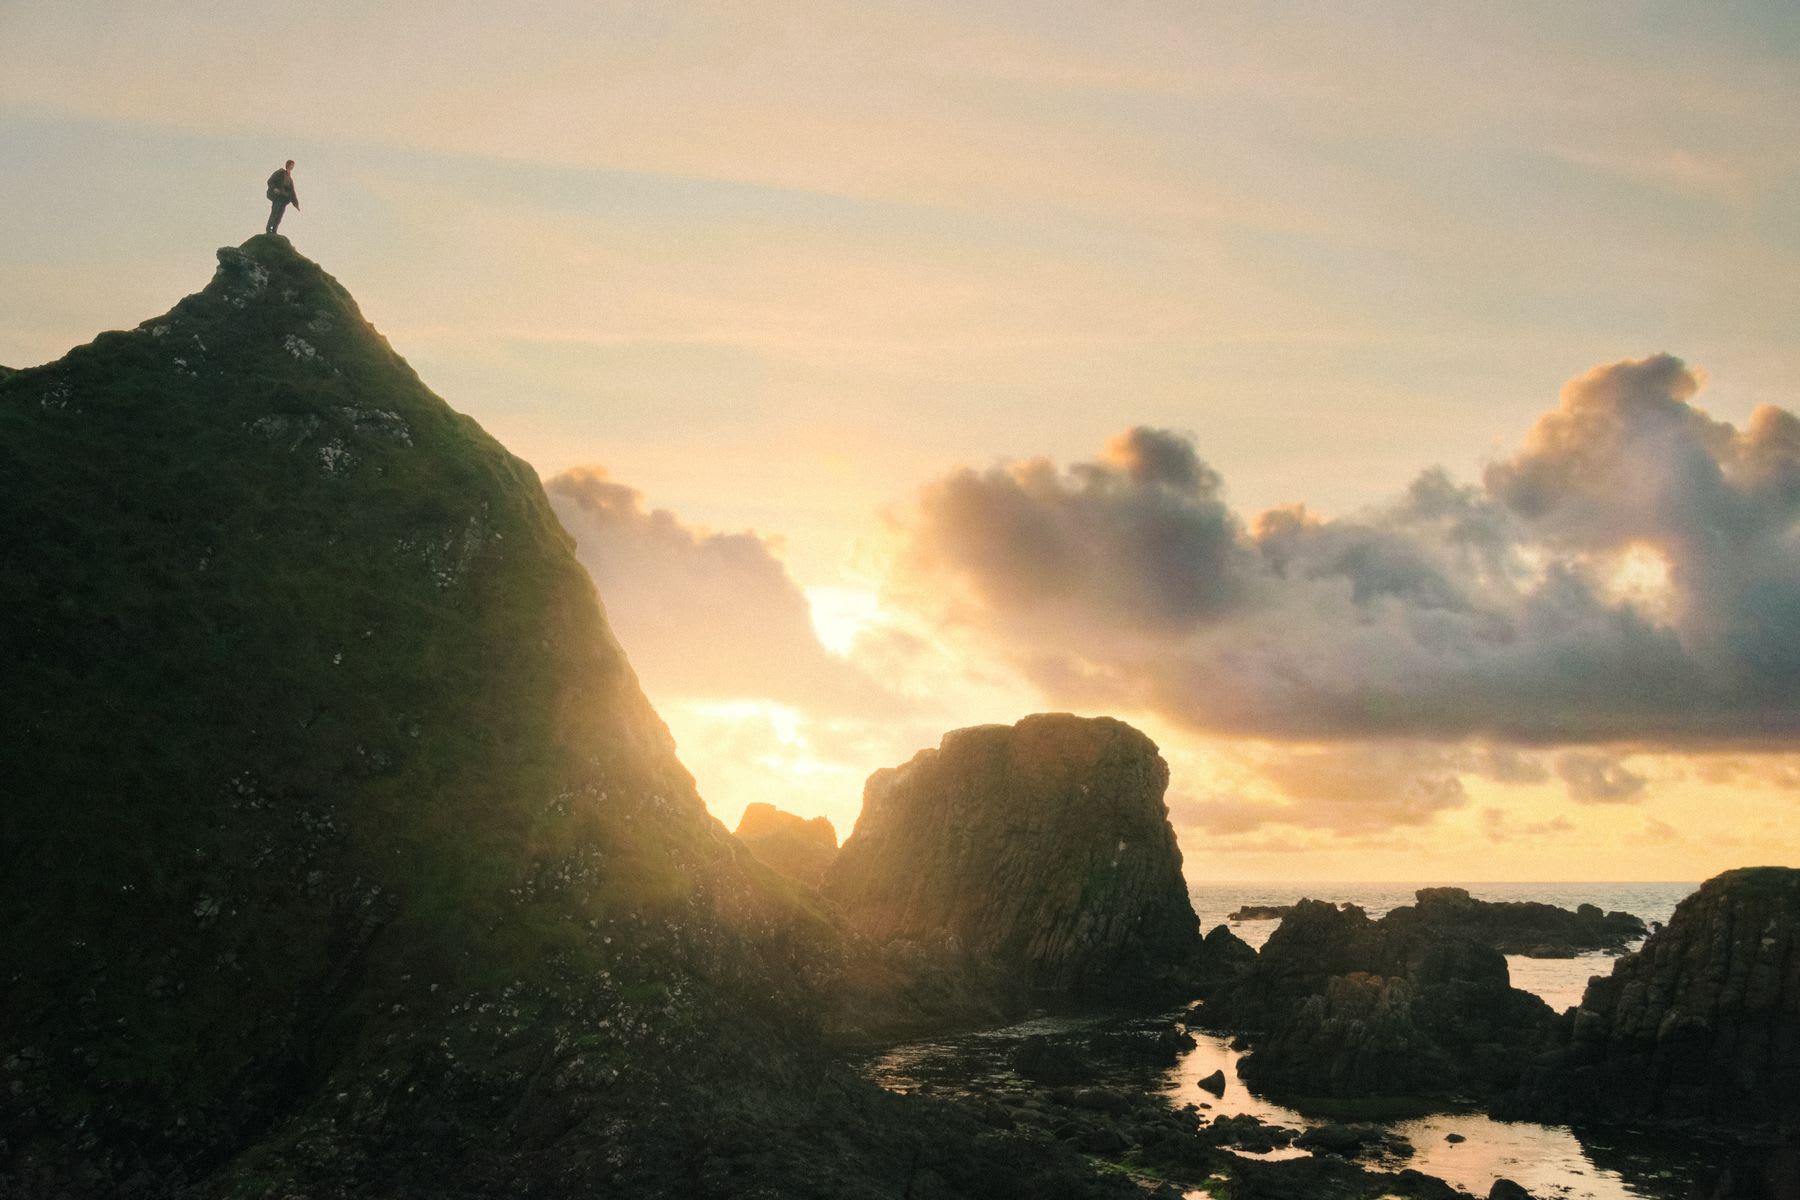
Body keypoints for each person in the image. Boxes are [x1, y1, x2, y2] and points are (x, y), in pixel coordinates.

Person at [265, 160, 299, 235]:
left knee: (280, 215)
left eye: (293, 165)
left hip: (284, 199)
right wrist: (274, 188)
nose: (292, 166)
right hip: (278, 197)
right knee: (274, 213)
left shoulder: (290, 179)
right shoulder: (280, 172)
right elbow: (270, 181)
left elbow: (292, 192)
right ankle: (268, 228)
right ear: (287, 165)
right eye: (291, 165)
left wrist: (296, 203)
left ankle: (274, 230)